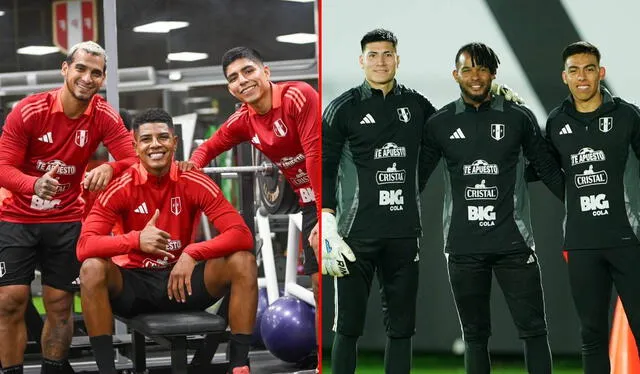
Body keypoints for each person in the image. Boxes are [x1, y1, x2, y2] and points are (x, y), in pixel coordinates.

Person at [418, 42, 564, 374]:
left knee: (534, 330)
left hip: (514, 244)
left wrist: (579, 206)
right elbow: (415, 179)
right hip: (462, 247)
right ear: (455, 75)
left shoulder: (518, 116)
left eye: (482, 68)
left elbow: (548, 169)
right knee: (474, 336)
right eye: (467, 69)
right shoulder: (439, 123)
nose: (475, 76)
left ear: (493, 74)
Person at [77, 108, 257, 374]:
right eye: (147, 139)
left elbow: (242, 235)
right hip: (134, 286)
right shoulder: (121, 186)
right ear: (135, 145)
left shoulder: (193, 180)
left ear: (175, 142)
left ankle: (239, 365)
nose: (155, 145)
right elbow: (85, 246)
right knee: (91, 268)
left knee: (244, 261)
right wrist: (136, 240)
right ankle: (107, 370)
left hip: (182, 282)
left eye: (162, 137)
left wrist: (193, 252)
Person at [178, 46, 321, 367]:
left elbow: (315, 155)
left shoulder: (298, 96)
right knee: (318, 284)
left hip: (336, 195)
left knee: (345, 281)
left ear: (265, 72)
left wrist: (324, 216)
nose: (242, 81)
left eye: (248, 71)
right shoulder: (244, 120)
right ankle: (326, 361)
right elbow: (211, 147)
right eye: (233, 78)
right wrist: (192, 167)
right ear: (229, 88)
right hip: (310, 204)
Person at [0, 41, 137, 374]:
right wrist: (33, 184)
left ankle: (52, 369)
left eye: (96, 73)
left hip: (65, 219)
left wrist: (110, 167)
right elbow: (3, 166)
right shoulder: (29, 110)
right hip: (17, 216)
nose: (87, 78)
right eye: (80, 68)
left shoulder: (103, 114)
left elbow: (132, 159)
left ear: (102, 78)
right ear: (65, 69)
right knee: (9, 302)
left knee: (60, 307)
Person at [322, 28, 437, 374]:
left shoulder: (417, 105)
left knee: (401, 328)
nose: (380, 61)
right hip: (354, 238)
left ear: (397, 59)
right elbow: (325, 167)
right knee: (348, 327)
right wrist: (327, 220)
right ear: (361, 61)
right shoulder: (342, 108)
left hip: (403, 235)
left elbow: (451, 132)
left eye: (387, 54)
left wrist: (495, 100)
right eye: (373, 55)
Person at [545, 41, 640, 374]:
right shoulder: (556, 122)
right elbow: (543, 169)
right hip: (582, 243)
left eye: (588, 69)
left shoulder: (627, 115)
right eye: (574, 70)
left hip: (628, 240)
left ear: (601, 72)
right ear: (564, 77)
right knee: (591, 336)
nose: (581, 77)